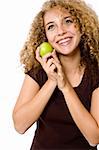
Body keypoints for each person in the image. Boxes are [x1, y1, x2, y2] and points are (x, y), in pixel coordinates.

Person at [12, 0, 99, 149]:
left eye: (68, 21)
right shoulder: (38, 71)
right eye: (51, 26)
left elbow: (94, 138)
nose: (61, 31)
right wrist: (52, 80)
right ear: (45, 36)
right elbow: (20, 125)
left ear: (82, 25)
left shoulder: (95, 73)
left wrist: (65, 86)